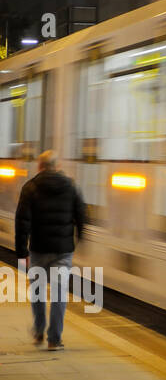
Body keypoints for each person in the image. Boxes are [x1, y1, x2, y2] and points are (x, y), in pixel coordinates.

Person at [14, 150, 87, 351]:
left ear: (39, 166)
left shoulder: (30, 188)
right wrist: (80, 238)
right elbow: (81, 214)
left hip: (38, 248)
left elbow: (22, 223)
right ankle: (54, 339)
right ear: (58, 166)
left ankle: (38, 330)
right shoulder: (71, 186)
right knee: (59, 293)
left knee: (37, 291)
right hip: (63, 250)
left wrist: (22, 253)